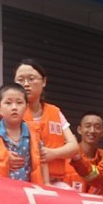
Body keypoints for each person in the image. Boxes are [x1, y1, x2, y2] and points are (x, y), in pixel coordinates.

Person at [13, 59, 79, 187]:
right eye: (20, 80)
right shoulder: (8, 110)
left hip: (54, 183)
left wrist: (53, 154)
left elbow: (74, 147)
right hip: (19, 182)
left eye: (31, 79)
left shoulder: (55, 112)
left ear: (44, 81)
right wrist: (5, 155)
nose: (26, 84)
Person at [63, 111, 103, 193]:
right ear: (79, 130)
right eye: (88, 126)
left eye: (97, 127)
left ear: (102, 132)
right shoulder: (66, 154)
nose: (92, 130)